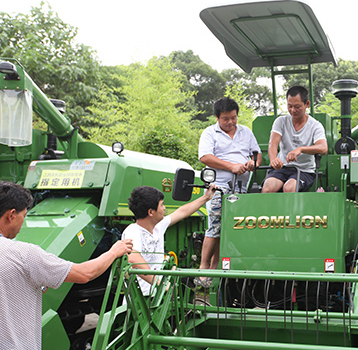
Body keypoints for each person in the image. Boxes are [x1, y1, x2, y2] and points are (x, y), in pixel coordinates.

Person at [0, 181, 133, 350]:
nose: (23, 223)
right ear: (11, 215)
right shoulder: (23, 255)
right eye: (24, 216)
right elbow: (84, 273)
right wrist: (114, 251)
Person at [198, 97, 262, 280]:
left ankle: (216, 267)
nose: (230, 122)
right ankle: (203, 269)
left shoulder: (246, 132)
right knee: (215, 225)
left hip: (241, 186)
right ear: (217, 118)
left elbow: (258, 156)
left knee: (231, 228)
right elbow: (205, 157)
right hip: (218, 186)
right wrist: (231, 166)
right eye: (226, 119)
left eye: (233, 117)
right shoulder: (210, 133)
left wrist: (252, 163)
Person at [123, 184, 215, 295]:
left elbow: (182, 212)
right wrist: (158, 282)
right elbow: (133, 258)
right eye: (161, 205)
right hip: (141, 298)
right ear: (151, 212)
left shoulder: (158, 227)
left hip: (157, 295)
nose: (164, 208)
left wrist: (206, 198)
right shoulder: (133, 231)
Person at [262, 85, 328, 193]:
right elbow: (273, 144)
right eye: (289, 106)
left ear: (307, 104)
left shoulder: (315, 125)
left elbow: (323, 148)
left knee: (289, 188)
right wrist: (274, 159)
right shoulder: (281, 121)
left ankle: (291, 211)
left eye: (297, 107)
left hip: (304, 171)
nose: (292, 110)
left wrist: (300, 149)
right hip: (282, 168)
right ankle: (267, 210)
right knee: (268, 188)